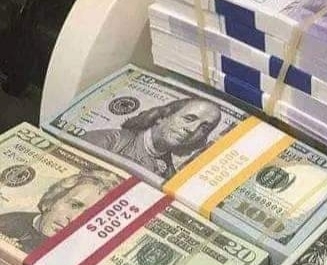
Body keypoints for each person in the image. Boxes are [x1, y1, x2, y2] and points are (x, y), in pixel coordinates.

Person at [81, 98, 222, 179]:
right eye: (189, 119)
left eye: (204, 128)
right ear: (162, 117)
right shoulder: (110, 139)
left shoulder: (169, 174)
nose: (192, 129)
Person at [0, 169, 122, 253]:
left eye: (89, 216)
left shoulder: (78, 254)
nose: (74, 219)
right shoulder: (6, 222)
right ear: (51, 201)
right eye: (74, 205)